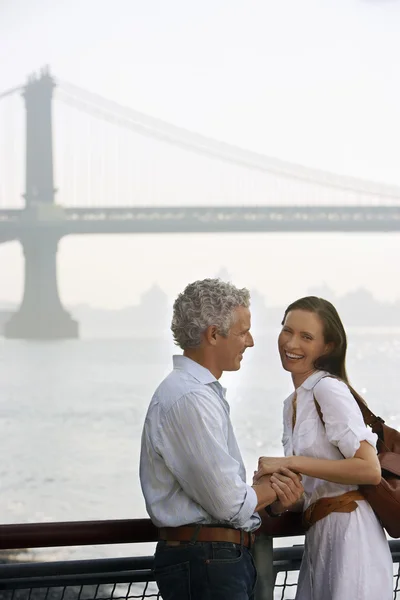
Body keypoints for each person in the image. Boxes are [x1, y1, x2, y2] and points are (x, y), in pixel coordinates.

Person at [140, 278, 304, 600]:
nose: (251, 341)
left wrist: (263, 494)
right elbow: (228, 504)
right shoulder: (189, 398)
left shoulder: (193, 394)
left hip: (209, 559)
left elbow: (226, 500)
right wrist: (277, 485)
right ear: (214, 335)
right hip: (208, 562)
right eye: (243, 331)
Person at [254, 296, 392, 600]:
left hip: (352, 539)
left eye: (306, 337)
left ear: (327, 347)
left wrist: (291, 463)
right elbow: (313, 489)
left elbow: (369, 469)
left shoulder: (327, 388)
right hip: (320, 537)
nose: (291, 343)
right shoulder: (293, 403)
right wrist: (281, 500)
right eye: (287, 330)